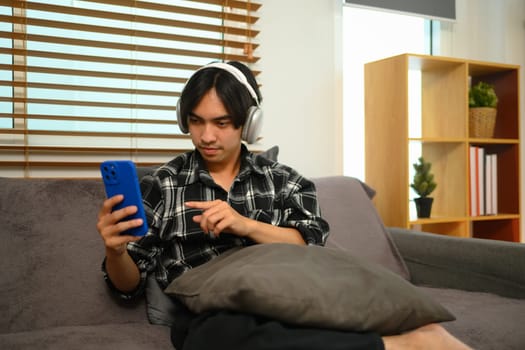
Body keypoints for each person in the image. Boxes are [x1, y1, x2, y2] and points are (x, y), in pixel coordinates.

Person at [96, 61, 471, 350]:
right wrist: (115, 252)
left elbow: (311, 247)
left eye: (222, 123)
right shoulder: (164, 183)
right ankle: (394, 347)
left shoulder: (285, 180)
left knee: (310, 319)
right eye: (196, 122)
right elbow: (128, 284)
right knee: (210, 337)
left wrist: (245, 225)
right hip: (208, 311)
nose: (206, 136)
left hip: (285, 295)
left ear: (249, 123)